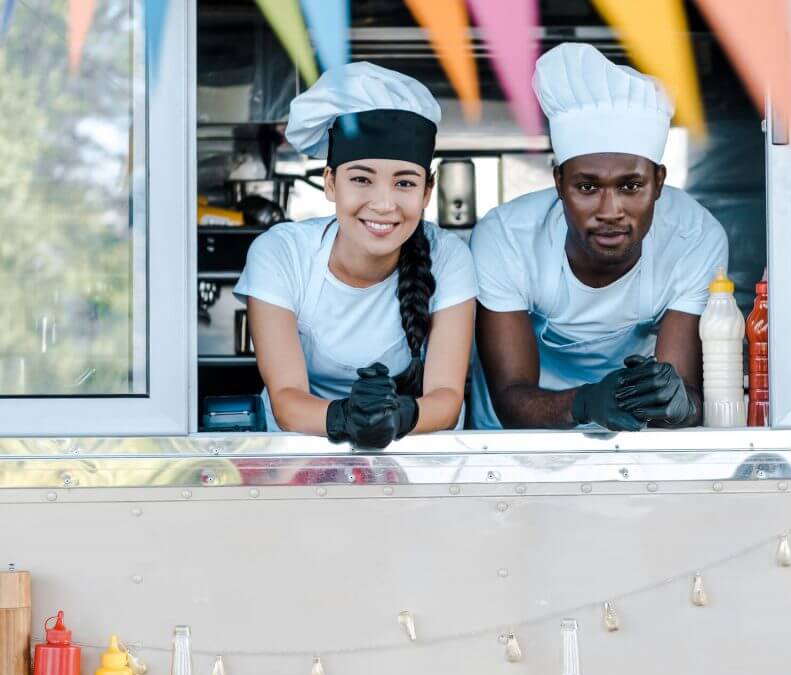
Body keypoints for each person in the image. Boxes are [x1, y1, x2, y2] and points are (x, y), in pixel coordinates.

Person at [470, 43, 728, 431]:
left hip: (636, 436)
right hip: (512, 442)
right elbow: (511, 397)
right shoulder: (507, 239)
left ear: (659, 182)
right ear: (559, 182)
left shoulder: (693, 238)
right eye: (588, 187)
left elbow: (686, 393)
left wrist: (676, 405)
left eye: (631, 186)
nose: (610, 211)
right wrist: (587, 402)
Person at [234, 63, 477, 447]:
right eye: (361, 179)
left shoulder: (449, 258)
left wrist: (398, 417)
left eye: (404, 183)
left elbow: (446, 399)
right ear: (330, 182)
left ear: (427, 192)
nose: (383, 204)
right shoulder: (281, 254)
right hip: (298, 451)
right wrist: (346, 418)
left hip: (416, 449)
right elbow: (286, 400)